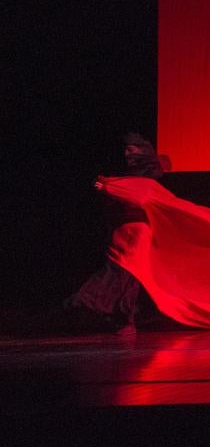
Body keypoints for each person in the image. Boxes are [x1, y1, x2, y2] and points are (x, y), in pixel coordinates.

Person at [65, 132, 166, 333]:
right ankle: (122, 318)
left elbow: (137, 195)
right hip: (124, 228)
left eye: (131, 149)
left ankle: (97, 306)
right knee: (128, 271)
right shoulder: (125, 175)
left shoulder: (147, 175)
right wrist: (104, 187)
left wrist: (108, 187)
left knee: (125, 269)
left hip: (136, 229)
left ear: (142, 150)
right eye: (125, 149)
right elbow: (110, 191)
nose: (127, 153)